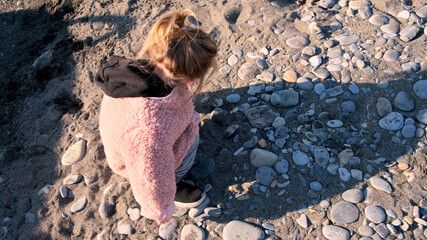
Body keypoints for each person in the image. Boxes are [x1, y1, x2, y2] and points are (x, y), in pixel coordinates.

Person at [95, 9, 218, 224]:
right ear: (192, 79)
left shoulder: (136, 70)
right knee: (191, 140)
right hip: (134, 160)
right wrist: (159, 207)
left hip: (123, 136)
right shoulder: (150, 131)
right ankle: (177, 183)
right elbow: (150, 175)